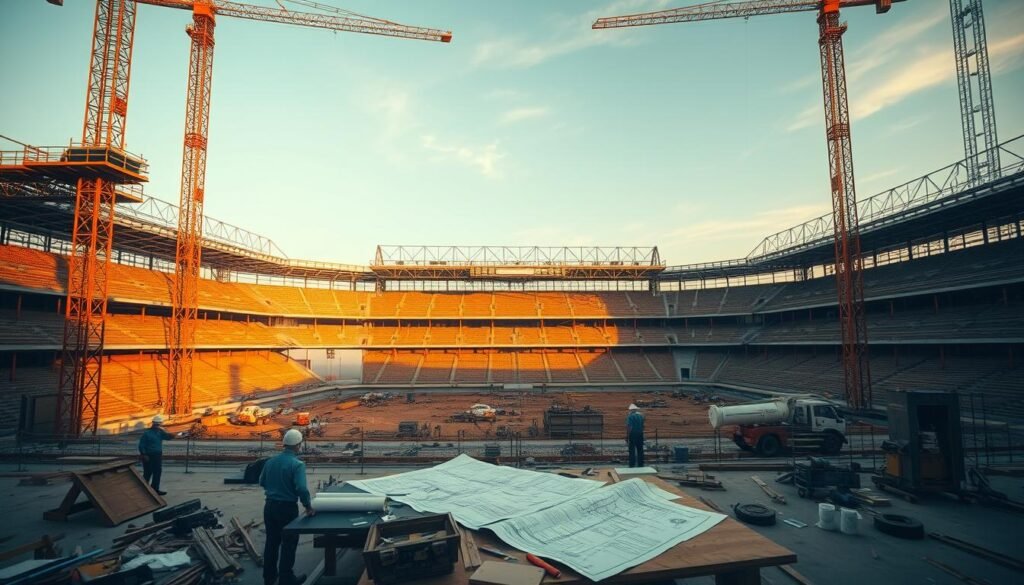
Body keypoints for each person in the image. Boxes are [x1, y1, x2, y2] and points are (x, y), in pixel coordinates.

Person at [260, 428, 314, 585]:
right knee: (289, 544)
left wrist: (275, 490)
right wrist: (308, 506)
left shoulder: (270, 462)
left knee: (271, 542)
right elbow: (302, 489)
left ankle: (269, 578)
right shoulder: (297, 465)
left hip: (269, 507)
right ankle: (286, 579)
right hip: (287, 509)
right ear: (298, 445)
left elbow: (262, 482)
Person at [138, 414, 173, 495]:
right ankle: (143, 491)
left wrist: (172, 435)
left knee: (157, 472)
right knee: (147, 472)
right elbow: (141, 445)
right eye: (156, 424)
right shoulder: (147, 433)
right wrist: (144, 454)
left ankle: (155, 490)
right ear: (153, 423)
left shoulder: (160, 432)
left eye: (159, 424)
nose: (157, 425)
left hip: (157, 455)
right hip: (148, 455)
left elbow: (167, 437)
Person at [626, 404, 645, 468]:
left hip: (633, 434)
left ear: (631, 410)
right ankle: (641, 464)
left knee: (632, 450)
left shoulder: (630, 416)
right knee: (640, 449)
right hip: (640, 434)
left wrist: (628, 435)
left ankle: (632, 464)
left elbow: (629, 426)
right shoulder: (641, 416)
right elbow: (643, 426)